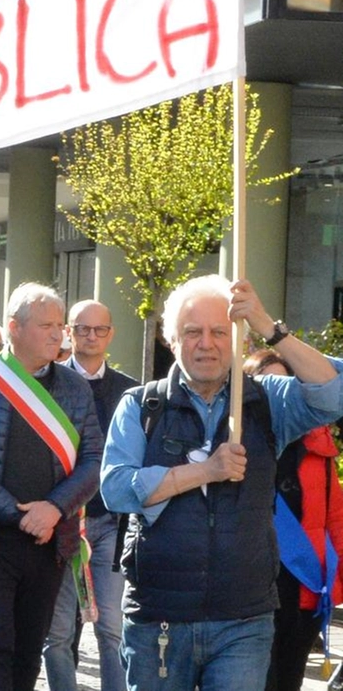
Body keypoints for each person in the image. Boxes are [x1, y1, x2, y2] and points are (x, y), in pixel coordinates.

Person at [101, 276, 343, 691]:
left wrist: (269, 327)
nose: (206, 344)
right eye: (192, 332)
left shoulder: (268, 400)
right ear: (171, 340)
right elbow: (116, 488)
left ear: (236, 339)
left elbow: (332, 395)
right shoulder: (143, 405)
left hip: (243, 619)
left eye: (219, 332)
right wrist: (203, 472)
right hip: (158, 615)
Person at [0, 283, 104, 691]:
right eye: (46, 325)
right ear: (14, 328)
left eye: (60, 325)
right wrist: (17, 514)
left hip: (49, 542)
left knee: (29, 653)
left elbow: (94, 461)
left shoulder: (74, 388)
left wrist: (52, 509)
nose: (57, 334)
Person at [42, 300, 139, 691]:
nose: (91, 337)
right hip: (62, 522)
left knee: (112, 627)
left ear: (111, 334)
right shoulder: (46, 383)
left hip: (111, 525)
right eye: (83, 329)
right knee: (59, 630)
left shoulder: (130, 391)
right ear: (69, 332)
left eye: (100, 330)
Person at [245, 350, 338, 691]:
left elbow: (335, 517)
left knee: (287, 679)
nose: (277, 393)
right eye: (267, 383)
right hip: (249, 588)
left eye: (286, 384)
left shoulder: (318, 443)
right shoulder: (234, 445)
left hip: (302, 588)